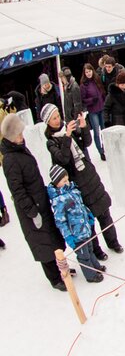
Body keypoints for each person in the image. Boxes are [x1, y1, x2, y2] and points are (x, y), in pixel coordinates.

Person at [43, 103, 123, 259]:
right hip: (77, 183)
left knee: (104, 212)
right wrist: (66, 136)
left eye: (58, 115)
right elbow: (64, 159)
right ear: (47, 122)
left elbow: (85, 144)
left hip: (89, 176)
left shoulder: (67, 129)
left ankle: (113, 242)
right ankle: (97, 250)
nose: (58, 120)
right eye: (53, 118)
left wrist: (84, 127)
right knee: (89, 219)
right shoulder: (51, 142)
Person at [1, 114, 67, 290]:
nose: (22, 137)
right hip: (32, 209)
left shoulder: (19, 149)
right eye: (18, 134)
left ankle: (62, 270)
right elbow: (17, 190)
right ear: (10, 137)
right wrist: (31, 211)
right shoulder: (10, 159)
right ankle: (55, 278)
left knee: (52, 238)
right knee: (43, 244)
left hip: (40, 201)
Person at [47, 165, 105, 283]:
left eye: (67, 180)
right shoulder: (58, 200)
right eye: (64, 181)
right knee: (83, 256)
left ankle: (96, 267)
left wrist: (89, 216)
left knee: (90, 249)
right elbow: (61, 222)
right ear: (57, 183)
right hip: (76, 234)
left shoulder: (73, 190)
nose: (67, 182)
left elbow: (81, 206)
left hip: (85, 229)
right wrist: (69, 237)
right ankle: (90, 275)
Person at [80, 63, 107, 161]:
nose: (88, 73)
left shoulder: (97, 80)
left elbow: (103, 92)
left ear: (92, 71)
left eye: (89, 71)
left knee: (104, 130)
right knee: (96, 131)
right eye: (86, 72)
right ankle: (101, 151)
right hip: (93, 111)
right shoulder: (83, 85)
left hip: (102, 108)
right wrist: (91, 100)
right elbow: (83, 100)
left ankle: (105, 148)